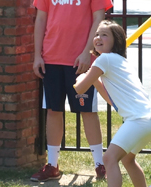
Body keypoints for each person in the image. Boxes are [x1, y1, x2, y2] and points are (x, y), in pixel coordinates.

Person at [31, 0, 113, 182]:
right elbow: (41, 18)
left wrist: (88, 52)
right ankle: (52, 166)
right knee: (53, 111)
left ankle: (100, 165)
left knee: (88, 112)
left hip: (80, 60)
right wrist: (37, 55)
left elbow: (98, 18)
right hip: (51, 58)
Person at [74, 20, 151, 187]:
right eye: (97, 34)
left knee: (109, 158)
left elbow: (79, 89)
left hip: (139, 119)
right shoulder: (118, 61)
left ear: (117, 41)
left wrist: (81, 79)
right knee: (128, 159)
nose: (98, 37)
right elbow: (112, 102)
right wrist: (94, 81)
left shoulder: (104, 60)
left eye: (105, 35)